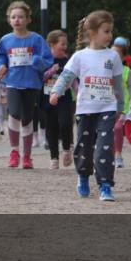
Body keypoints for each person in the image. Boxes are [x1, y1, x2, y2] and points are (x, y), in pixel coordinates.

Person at [50, 10, 125, 202]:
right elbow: (66, 76)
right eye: (106, 31)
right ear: (92, 33)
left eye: (111, 31)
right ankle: (83, 176)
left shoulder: (113, 57)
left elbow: (118, 85)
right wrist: (56, 91)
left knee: (104, 148)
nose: (110, 35)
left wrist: (120, 107)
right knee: (84, 147)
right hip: (85, 110)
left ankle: (105, 185)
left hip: (107, 109)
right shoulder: (79, 56)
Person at [0, 1, 54, 169]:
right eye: (13, 17)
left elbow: (48, 60)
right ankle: (14, 152)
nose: (17, 20)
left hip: (31, 83)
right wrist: (0, 66)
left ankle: (27, 156)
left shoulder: (36, 39)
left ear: (28, 19)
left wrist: (37, 61)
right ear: (9, 20)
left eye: (20, 17)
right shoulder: (6, 40)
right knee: (14, 113)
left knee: (27, 119)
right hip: (12, 82)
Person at [41, 29, 74, 170]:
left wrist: (73, 88)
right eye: (62, 44)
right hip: (47, 98)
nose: (65, 47)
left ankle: (66, 149)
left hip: (64, 98)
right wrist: (51, 71)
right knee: (51, 128)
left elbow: (74, 78)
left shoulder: (69, 61)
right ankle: (54, 158)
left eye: (66, 44)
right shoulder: (44, 60)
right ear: (52, 44)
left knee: (66, 123)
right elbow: (39, 78)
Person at [110, 36, 131, 169]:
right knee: (107, 130)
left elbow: (130, 87)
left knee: (118, 128)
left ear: (123, 57)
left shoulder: (126, 71)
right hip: (107, 104)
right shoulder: (105, 68)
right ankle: (108, 154)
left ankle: (118, 155)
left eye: (117, 54)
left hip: (122, 106)